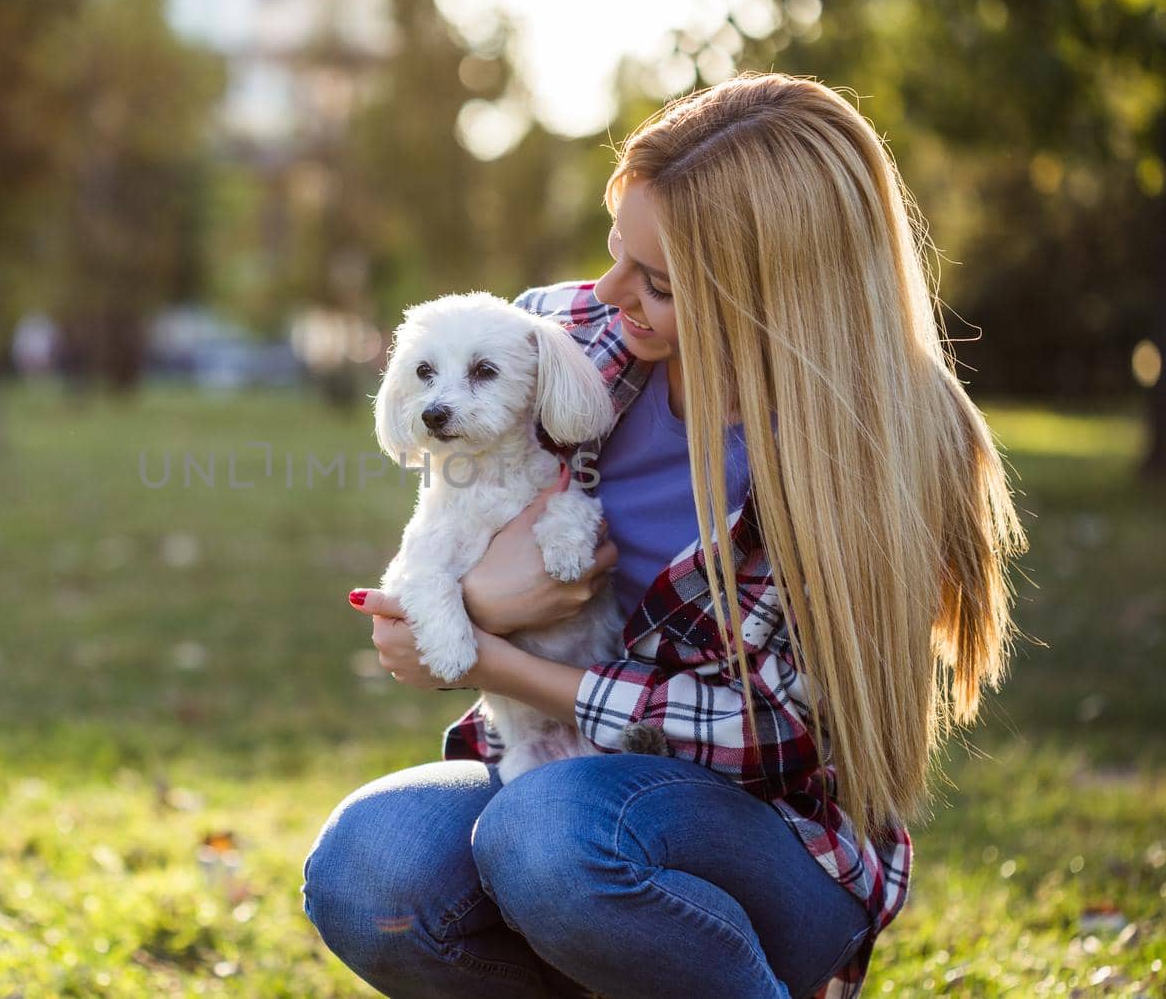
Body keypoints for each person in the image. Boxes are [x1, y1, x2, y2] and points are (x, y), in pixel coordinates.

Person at [302, 73, 1026, 998]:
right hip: (550, 773)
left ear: (776, 301)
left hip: (770, 836)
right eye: (616, 252)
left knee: (550, 838)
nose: (608, 292)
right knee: (369, 866)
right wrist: (475, 605)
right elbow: (424, 600)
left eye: (658, 283)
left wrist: (493, 657)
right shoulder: (554, 337)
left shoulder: (870, 450)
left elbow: (768, 734)